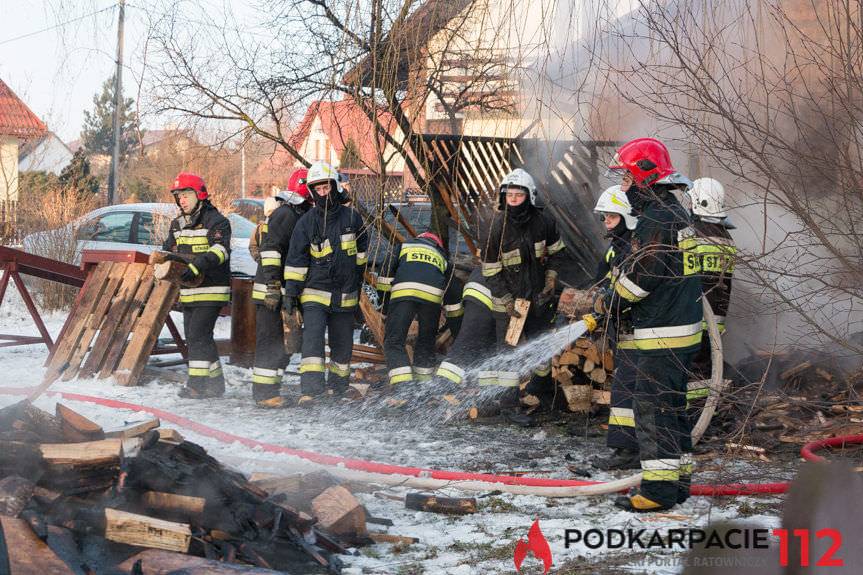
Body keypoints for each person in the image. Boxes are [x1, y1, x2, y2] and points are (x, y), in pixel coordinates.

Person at [603, 138, 702, 512]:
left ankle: (658, 493)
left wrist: (608, 302)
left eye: (627, 177)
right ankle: (678, 484)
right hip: (683, 328)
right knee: (673, 408)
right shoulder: (677, 214)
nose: (623, 185)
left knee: (652, 408)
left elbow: (643, 278)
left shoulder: (656, 221)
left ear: (645, 177)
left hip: (663, 332)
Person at [435, 168, 566, 424]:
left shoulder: (544, 223)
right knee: (509, 352)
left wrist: (550, 278)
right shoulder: (497, 227)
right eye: (510, 195)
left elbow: (557, 252)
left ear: (530, 196)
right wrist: (505, 300)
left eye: (518, 195)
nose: (514, 199)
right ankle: (509, 407)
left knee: (541, 344)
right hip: (508, 302)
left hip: (537, 298)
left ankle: (544, 391)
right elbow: (491, 270)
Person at [283, 162, 368, 400]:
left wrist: (357, 283)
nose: (322, 193)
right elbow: (296, 260)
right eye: (317, 189)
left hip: (345, 293)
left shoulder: (353, 218)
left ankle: (338, 388)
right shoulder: (306, 223)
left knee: (342, 344)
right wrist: (291, 293)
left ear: (335, 186)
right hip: (314, 293)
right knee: (313, 343)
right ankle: (311, 391)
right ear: (312, 191)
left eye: (326, 188)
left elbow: (362, 255)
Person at [162, 172, 232, 399]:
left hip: (212, 289)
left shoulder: (217, 221)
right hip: (189, 291)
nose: (181, 200)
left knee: (198, 334)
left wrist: (197, 266)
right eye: (178, 196)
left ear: (199, 194)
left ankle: (197, 385)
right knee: (196, 338)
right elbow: (168, 250)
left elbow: (220, 251)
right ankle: (216, 383)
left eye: (186, 194)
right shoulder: (177, 224)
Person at [589, 185, 642, 471]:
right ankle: (628, 448)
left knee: (625, 389)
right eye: (605, 217)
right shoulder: (617, 248)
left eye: (611, 217)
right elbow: (604, 280)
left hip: (635, 329)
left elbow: (628, 289)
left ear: (627, 218)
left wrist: (606, 304)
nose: (606, 223)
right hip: (622, 326)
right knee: (626, 387)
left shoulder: (633, 248)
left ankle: (626, 451)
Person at [250, 169, 312, 408]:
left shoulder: (297, 213)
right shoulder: (286, 214)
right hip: (270, 291)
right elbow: (271, 251)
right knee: (270, 341)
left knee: (284, 344)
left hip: (283, 291)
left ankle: (271, 389)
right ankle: (264, 394)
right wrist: (274, 285)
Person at [376, 231, 462, 385]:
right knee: (426, 343)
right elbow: (453, 297)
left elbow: (384, 275)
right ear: (437, 244)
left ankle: (404, 389)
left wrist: (385, 305)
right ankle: (423, 388)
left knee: (394, 342)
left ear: (419, 238)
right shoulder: (443, 258)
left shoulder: (403, 246)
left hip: (404, 296)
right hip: (432, 301)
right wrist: (458, 333)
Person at [684, 177, 737, 388]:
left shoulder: (694, 236)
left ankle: (698, 414)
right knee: (704, 368)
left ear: (699, 202)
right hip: (716, 319)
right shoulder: (726, 239)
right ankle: (710, 411)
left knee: (692, 374)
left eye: (690, 201)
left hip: (694, 316)